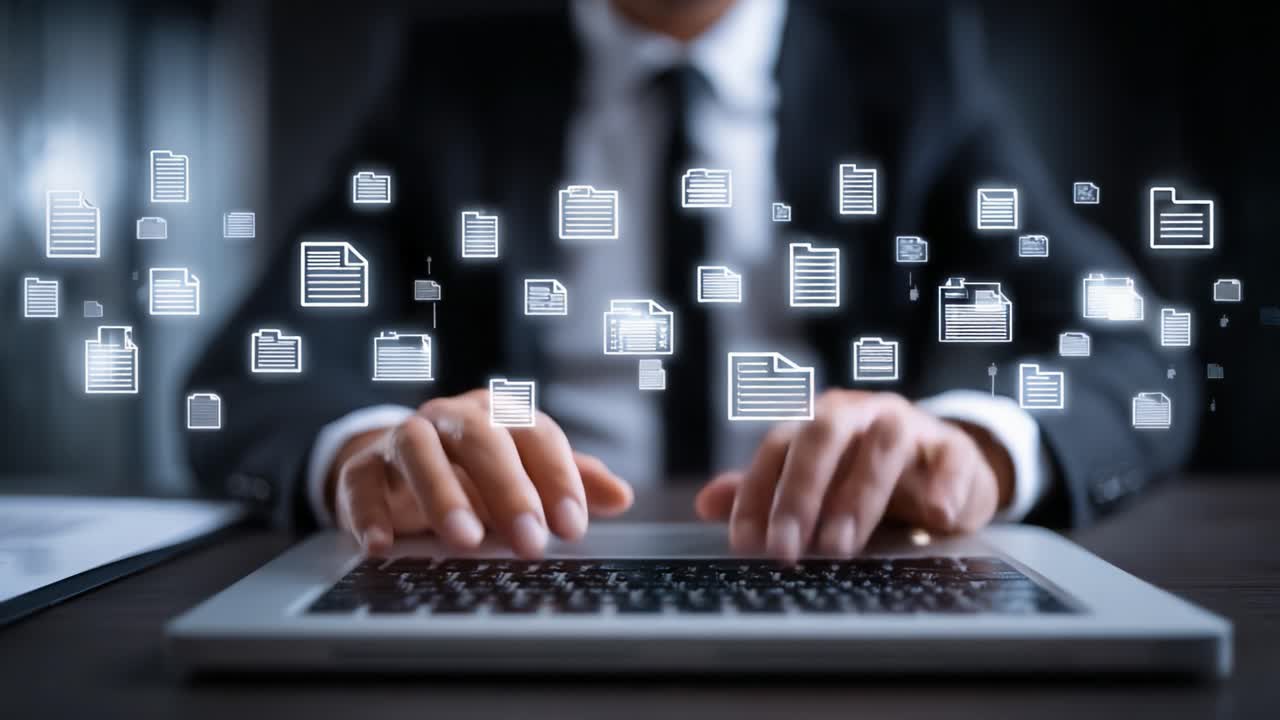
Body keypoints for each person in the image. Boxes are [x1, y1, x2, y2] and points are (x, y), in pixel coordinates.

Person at [186, 0, 1197, 564]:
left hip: (840, 564)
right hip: (516, 566)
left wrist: (976, 445)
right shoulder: (452, 74)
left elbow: (1126, 344)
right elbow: (242, 376)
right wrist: (367, 455)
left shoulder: (909, 62)